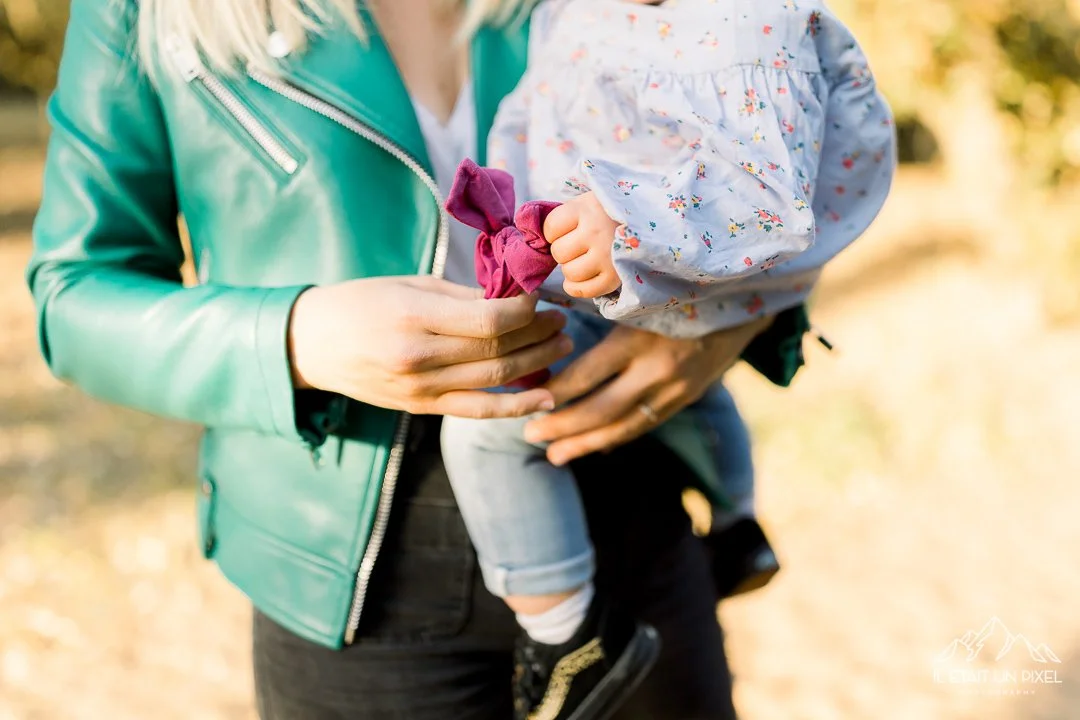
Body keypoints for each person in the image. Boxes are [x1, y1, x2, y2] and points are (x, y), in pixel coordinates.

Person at [24, 0, 887, 718]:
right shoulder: (140, 11)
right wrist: (296, 336)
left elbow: (782, 141)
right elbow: (75, 294)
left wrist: (735, 323)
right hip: (358, 590)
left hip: (632, 518)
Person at [438, 0, 895, 716]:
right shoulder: (578, 10)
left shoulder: (747, 26)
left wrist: (627, 219)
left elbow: (770, 197)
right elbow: (542, 107)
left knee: (486, 428)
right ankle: (739, 526)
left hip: (664, 266)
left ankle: (568, 638)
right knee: (692, 391)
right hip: (630, 279)